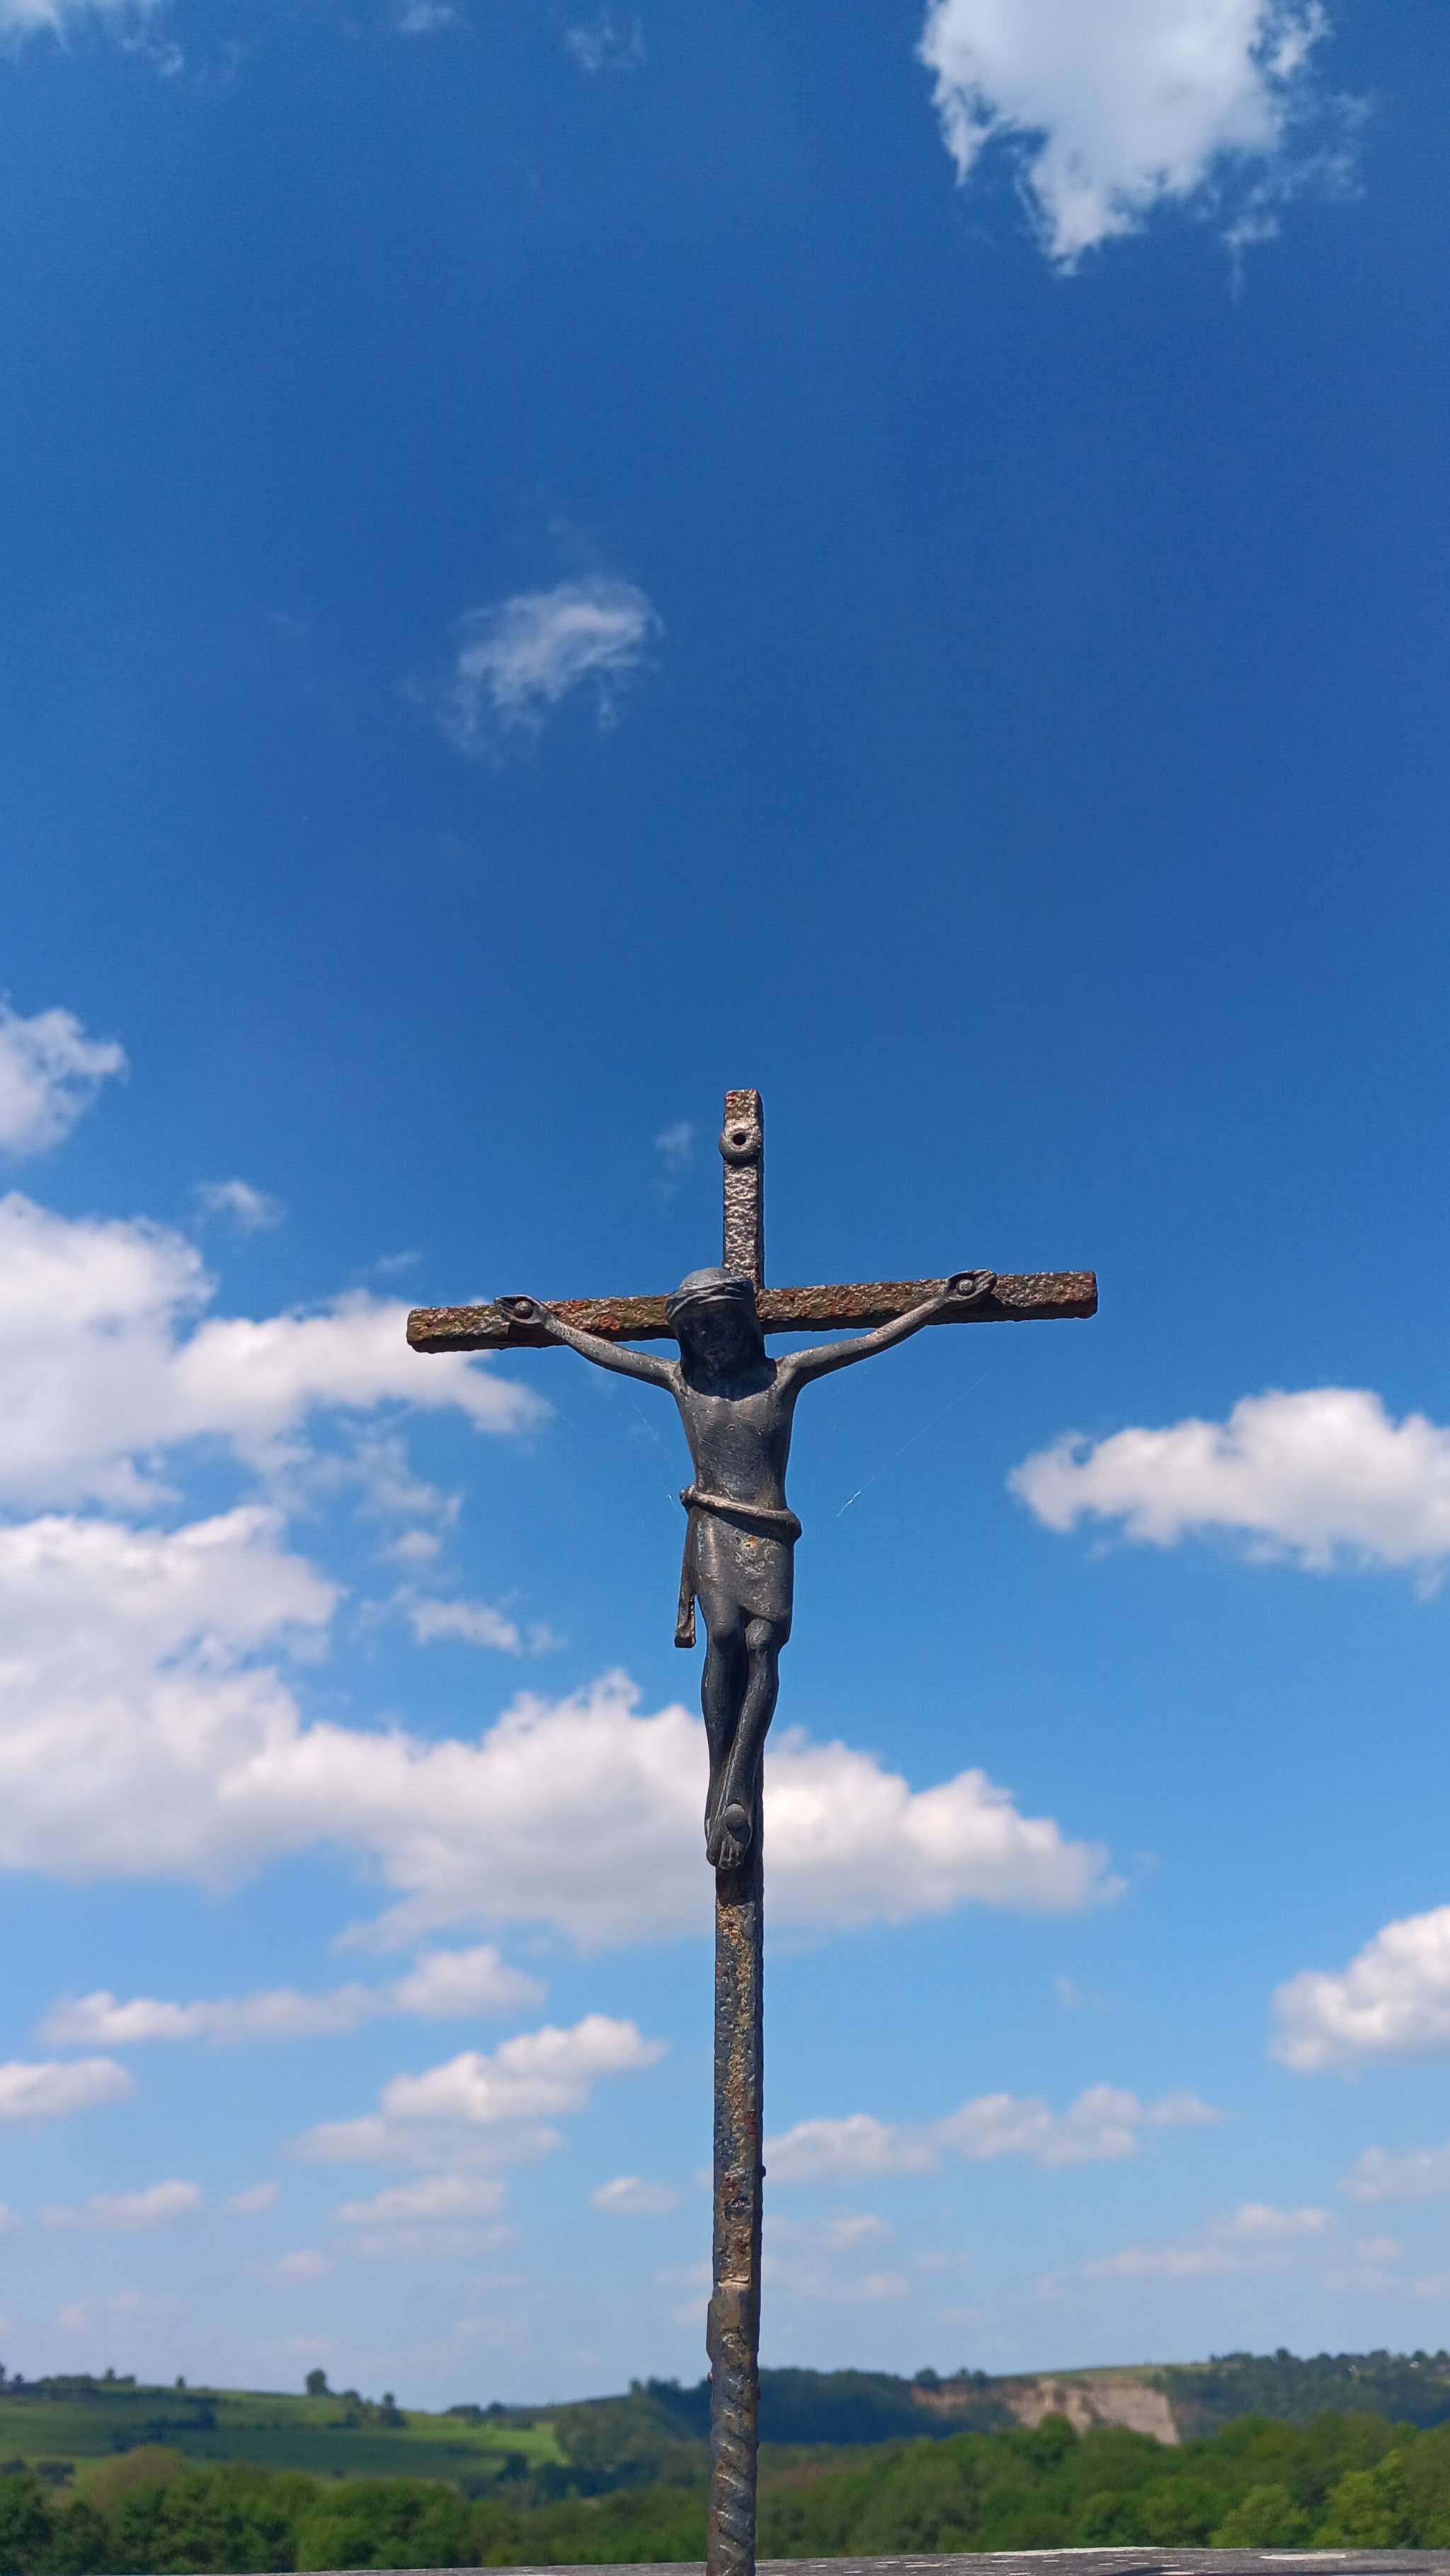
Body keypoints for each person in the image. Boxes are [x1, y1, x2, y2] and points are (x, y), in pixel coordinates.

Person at [497, 1265, 993, 1871]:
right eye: (698, 1331)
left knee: (763, 1645)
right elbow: (615, 1356)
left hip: (769, 1531)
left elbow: (868, 1342)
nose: (711, 1340)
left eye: (721, 1325)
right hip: (714, 1525)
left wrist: (938, 1304)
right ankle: (722, 1783)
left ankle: (740, 1774)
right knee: (725, 1637)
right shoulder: (683, 1382)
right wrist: (551, 1325)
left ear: (744, 1324)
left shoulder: (784, 1377)